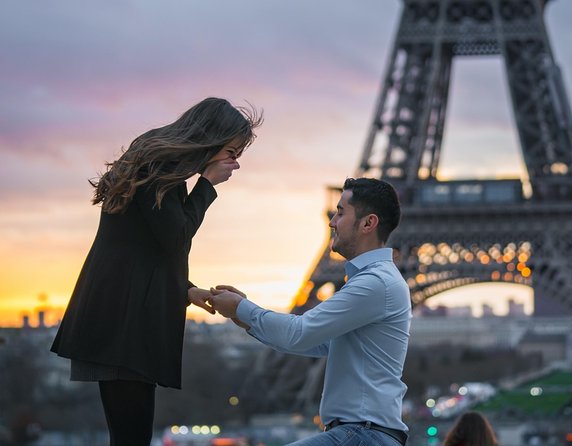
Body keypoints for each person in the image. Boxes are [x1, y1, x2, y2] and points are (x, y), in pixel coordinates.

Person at [50, 97, 262, 446]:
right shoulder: (159, 168)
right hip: (125, 318)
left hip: (119, 308)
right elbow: (175, 237)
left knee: (129, 435)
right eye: (232, 152)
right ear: (213, 138)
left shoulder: (157, 163)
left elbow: (144, 245)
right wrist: (207, 184)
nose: (234, 164)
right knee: (131, 437)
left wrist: (186, 289)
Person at [208, 177, 411, 446]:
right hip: (363, 434)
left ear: (368, 223)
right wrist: (242, 317)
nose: (332, 222)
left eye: (341, 212)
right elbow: (317, 343)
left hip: (363, 434)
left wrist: (242, 309)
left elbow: (300, 333)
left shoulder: (376, 283)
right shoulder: (377, 281)